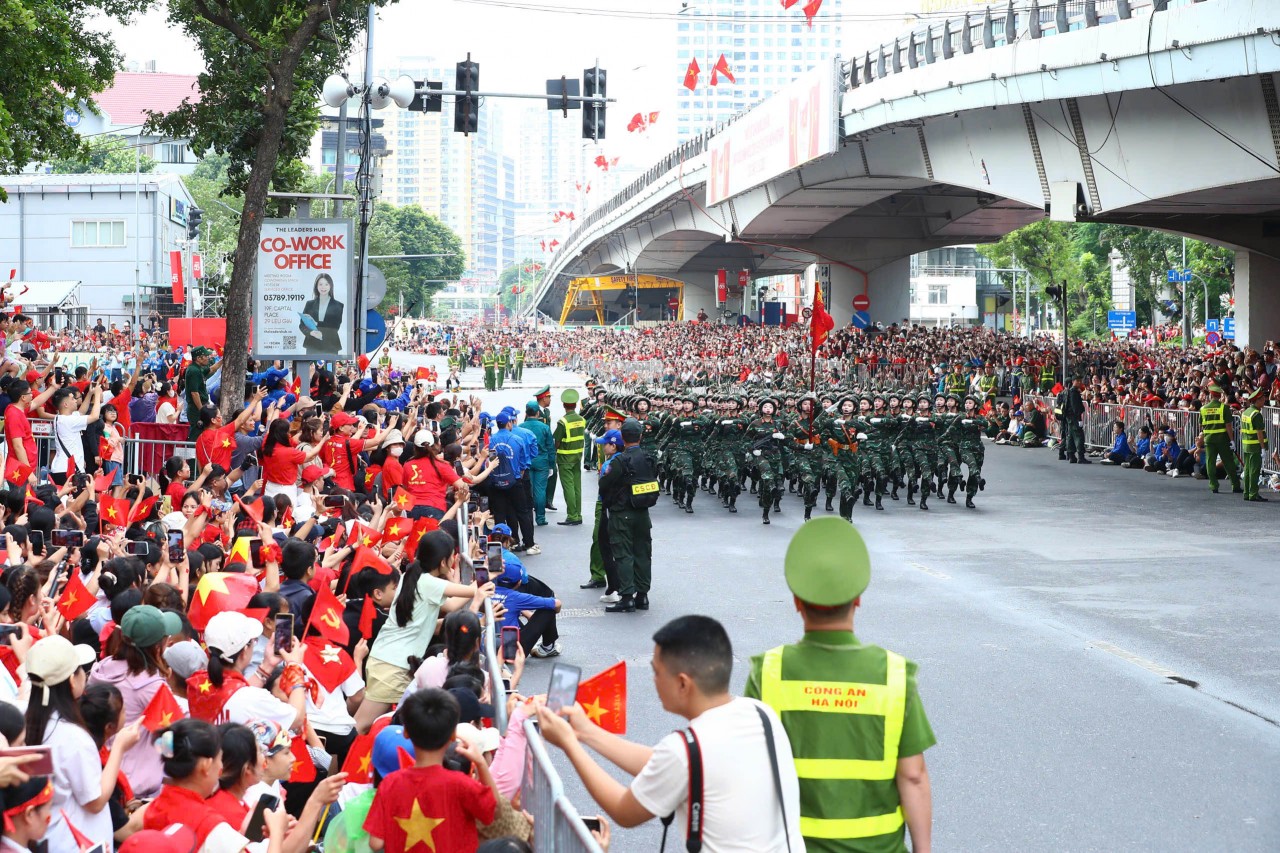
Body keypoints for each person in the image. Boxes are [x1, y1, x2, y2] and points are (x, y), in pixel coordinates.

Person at [535, 615, 803, 852]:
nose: (653, 679)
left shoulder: (684, 751)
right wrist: (587, 732)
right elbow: (665, 764)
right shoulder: (760, 713)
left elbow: (624, 811)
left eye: (656, 672)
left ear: (683, 684)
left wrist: (570, 744)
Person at [746, 518, 935, 853]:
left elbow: (748, 773)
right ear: (858, 599)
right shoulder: (894, 674)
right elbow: (913, 776)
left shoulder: (768, 672)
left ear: (796, 602)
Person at [355, 531, 489, 733]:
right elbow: (470, 592)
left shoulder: (413, 576)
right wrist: (487, 574)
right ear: (443, 562)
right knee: (362, 724)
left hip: (386, 660)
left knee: (390, 724)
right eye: (453, 555)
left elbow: (452, 605)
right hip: (393, 666)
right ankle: (335, 761)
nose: (455, 559)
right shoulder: (427, 582)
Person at [25, 634, 142, 850]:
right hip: (75, 842)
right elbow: (95, 801)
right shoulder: (72, 736)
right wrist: (119, 747)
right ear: (72, 680)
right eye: (80, 670)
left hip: (49, 837)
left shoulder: (30, 721)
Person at [363, 689, 498, 851]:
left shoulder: (390, 784)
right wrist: (482, 764)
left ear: (406, 732)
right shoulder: (462, 784)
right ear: (453, 735)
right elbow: (495, 812)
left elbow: (376, 843)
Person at [144, 717, 288, 850]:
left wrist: (241, 836)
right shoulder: (209, 824)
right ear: (206, 766)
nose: (221, 767)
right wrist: (277, 832)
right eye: (220, 759)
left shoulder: (155, 805)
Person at [597, 418, 658, 613]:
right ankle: (642, 596)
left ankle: (626, 597)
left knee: (623, 554)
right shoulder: (649, 458)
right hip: (643, 512)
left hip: (622, 512)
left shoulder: (621, 460)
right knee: (643, 554)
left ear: (623, 437)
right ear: (640, 436)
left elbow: (604, 484)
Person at [1198, 383, 1242, 494]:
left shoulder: (1203, 409)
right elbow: (1228, 426)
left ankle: (1213, 485)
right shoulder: (1224, 408)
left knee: (1210, 462)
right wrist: (1232, 440)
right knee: (1228, 462)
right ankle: (1235, 485)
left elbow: (1202, 425)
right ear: (1219, 395)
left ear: (1211, 395)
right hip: (1222, 439)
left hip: (1209, 440)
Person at [553, 389, 586, 525]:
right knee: (577, 486)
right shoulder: (582, 420)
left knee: (568, 487)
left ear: (563, 405)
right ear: (576, 404)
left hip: (565, 458)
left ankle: (572, 516)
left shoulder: (563, 422)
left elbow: (557, 440)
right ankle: (578, 513)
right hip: (577, 457)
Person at [301, 272, 345, 356]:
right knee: (311, 368)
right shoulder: (309, 304)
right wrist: (310, 333)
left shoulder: (338, 305)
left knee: (329, 368)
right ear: (316, 286)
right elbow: (302, 325)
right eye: (320, 284)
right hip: (312, 345)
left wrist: (316, 323)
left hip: (331, 345)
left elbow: (335, 326)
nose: (323, 287)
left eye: (326, 284)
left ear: (330, 286)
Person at [1239, 387, 1268, 501]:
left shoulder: (1246, 412)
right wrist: (1263, 448)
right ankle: (1253, 494)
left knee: (1247, 470)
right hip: (1255, 446)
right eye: (1262, 399)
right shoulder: (1256, 415)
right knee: (1254, 471)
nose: (1264, 401)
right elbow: (1259, 433)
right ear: (1257, 400)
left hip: (1247, 445)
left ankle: (1246, 493)